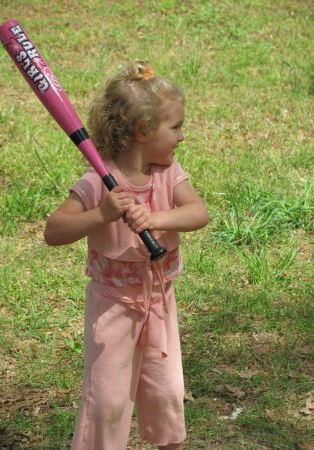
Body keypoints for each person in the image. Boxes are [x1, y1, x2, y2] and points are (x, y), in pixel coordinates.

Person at [44, 60, 208, 450]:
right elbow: (54, 231)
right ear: (143, 131)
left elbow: (198, 213)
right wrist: (101, 213)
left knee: (166, 394)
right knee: (108, 401)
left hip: (158, 302)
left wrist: (154, 215)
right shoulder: (99, 181)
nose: (182, 136)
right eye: (175, 127)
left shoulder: (169, 173)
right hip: (113, 307)